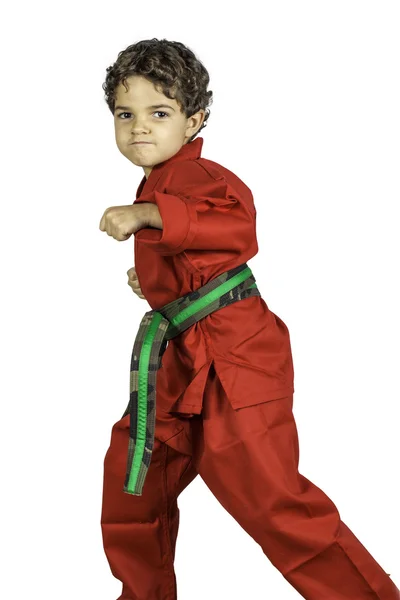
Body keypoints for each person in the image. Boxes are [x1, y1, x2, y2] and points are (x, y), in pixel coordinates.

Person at [99, 38, 399, 600]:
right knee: (133, 485)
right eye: (125, 114)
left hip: (233, 362)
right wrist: (162, 285)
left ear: (195, 120)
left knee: (274, 505)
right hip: (179, 362)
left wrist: (145, 216)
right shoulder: (161, 179)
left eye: (159, 113)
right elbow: (200, 257)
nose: (139, 127)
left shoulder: (202, 176)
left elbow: (235, 228)